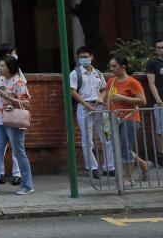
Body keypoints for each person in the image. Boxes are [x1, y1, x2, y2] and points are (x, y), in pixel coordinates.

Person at [0, 55, 34, 195]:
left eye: (2, 65)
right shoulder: (1, 79)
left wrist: (8, 98)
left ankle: (27, 185)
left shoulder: (19, 82)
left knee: (19, 153)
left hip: (14, 122)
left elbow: (27, 103)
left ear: (10, 67)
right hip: (0, 120)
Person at [101, 54, 148, 188]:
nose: (112, 69)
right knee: (119, 148)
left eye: (114, 66)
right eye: (110, 66)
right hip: (115, 119)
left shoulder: (133, 82)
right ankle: (143, 165)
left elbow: (142, 100)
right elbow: (106, 92)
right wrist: (101, 100)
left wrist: (124, 98)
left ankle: (128, 178)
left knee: (124, 148)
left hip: (130, 119)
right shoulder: (112, 81)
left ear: (123, 67)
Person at [70, 46, 114, 179]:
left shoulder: (98, 73)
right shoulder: (75, 74)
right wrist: (85, 104)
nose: (84, 59)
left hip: (99, 106)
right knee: (87, 139)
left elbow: (104, 89)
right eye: (81, 57)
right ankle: (93, 167)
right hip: (84, 107)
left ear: (92, 57)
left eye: (86, 56)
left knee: (107, 136)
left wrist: (101, 100)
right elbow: (72, 91)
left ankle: (110, 167)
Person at [0, 45, 23, 186]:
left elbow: (24, 95)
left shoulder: (17, 72)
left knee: (17, 147)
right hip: (1, 115)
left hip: (14, 113)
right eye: (14, 54)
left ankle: (18, 174)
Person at [146, 39, 163, 167]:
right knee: (160, 130)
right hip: (161, 101)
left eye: (162, 47)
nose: (160, 50)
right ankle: (160, 155)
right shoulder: (153, 64)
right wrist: (158, 99)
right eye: (158, 48)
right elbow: (151, 83)